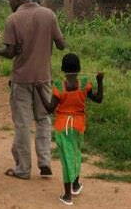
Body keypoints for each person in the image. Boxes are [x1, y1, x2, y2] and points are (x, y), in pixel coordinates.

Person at [0, 0, 66, 180]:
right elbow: (61, 44)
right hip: (43, 78)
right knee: (43, 120)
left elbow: (10, 53)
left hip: (22, 78)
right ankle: (44, 162)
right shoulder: (49, 15)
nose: (9, 2)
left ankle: (23, 169)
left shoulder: (13, 19)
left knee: (22, 124)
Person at [38, 53, 104, 206]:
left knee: (66, 158)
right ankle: (75, 185)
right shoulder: (85, 84)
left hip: (63, 126)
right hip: (78, 125)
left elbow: (49, 109)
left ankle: (67, 195)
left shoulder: (59, 86)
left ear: (62, 68)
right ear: (79, 68)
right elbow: (99, 99)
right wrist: (100, 81)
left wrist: (40, 90)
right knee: (75, 154)